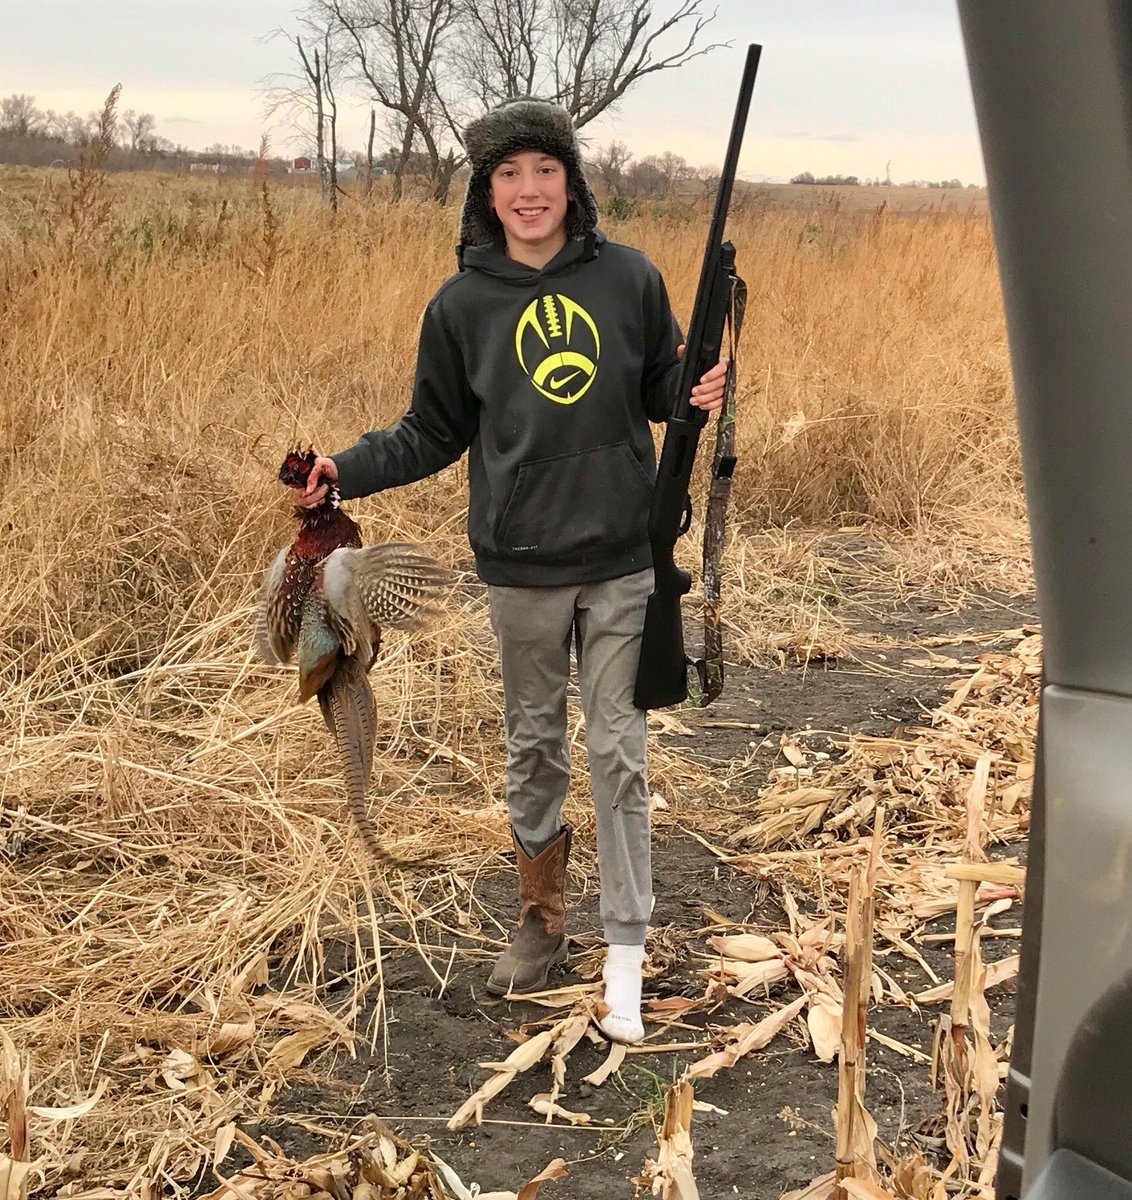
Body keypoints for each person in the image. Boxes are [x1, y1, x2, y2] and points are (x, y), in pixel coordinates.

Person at [299, 98, 726, 1044]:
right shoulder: (462, 305)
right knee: (534, 744)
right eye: (508, 175)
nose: (529, 191)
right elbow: (431, 431)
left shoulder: (629, 277)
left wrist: (694, 384)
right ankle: (540, 918)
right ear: (485, 193)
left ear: (573, 181)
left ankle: (626, 946)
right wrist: (346, 468)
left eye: (545, 171)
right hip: (522, 567)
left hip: (624, 559)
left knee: (619, 750)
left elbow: (659, 388)